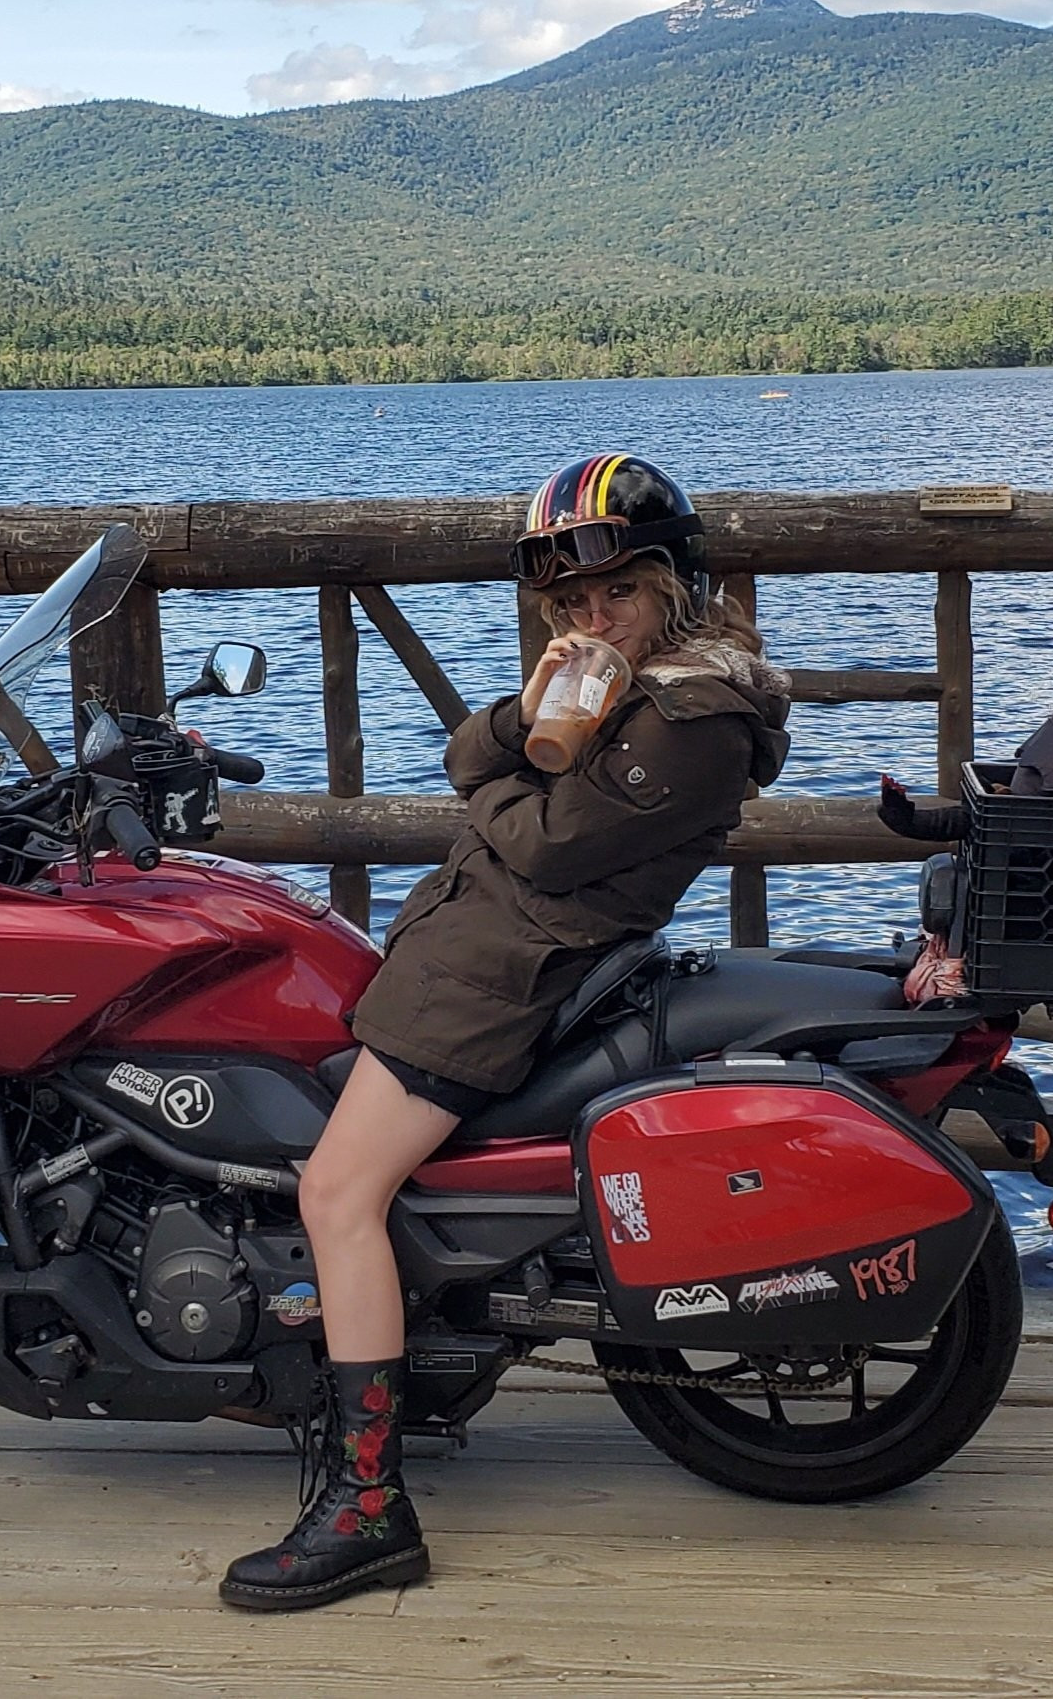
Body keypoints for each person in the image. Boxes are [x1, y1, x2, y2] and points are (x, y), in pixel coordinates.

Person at [219, 455, 791, 1611]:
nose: (592, 619)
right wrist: (524, 719)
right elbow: (476, 766)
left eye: (618, 594)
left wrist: (510, 757)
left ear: (676, 584)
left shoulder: (693, 716)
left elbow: (539, 844)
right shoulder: (628, 686)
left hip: (504, 978)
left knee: (338, 1193)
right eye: (571, 605)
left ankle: (367, 1507)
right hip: (469, 955)